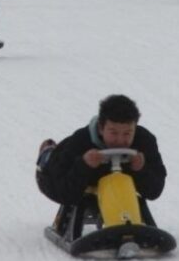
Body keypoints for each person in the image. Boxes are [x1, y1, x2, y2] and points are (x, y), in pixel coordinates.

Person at [36, 94, 166, 224]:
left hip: (110, 182)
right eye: (113, 133)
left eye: (127, 133)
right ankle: (47, 151)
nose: (120, 140)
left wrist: (140, 169)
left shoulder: (145, 141)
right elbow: (63, 191)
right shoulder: (81, 141)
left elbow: (155, 190)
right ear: (101, 128)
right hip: (51, 173)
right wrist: (83, 165)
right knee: (51, 165)